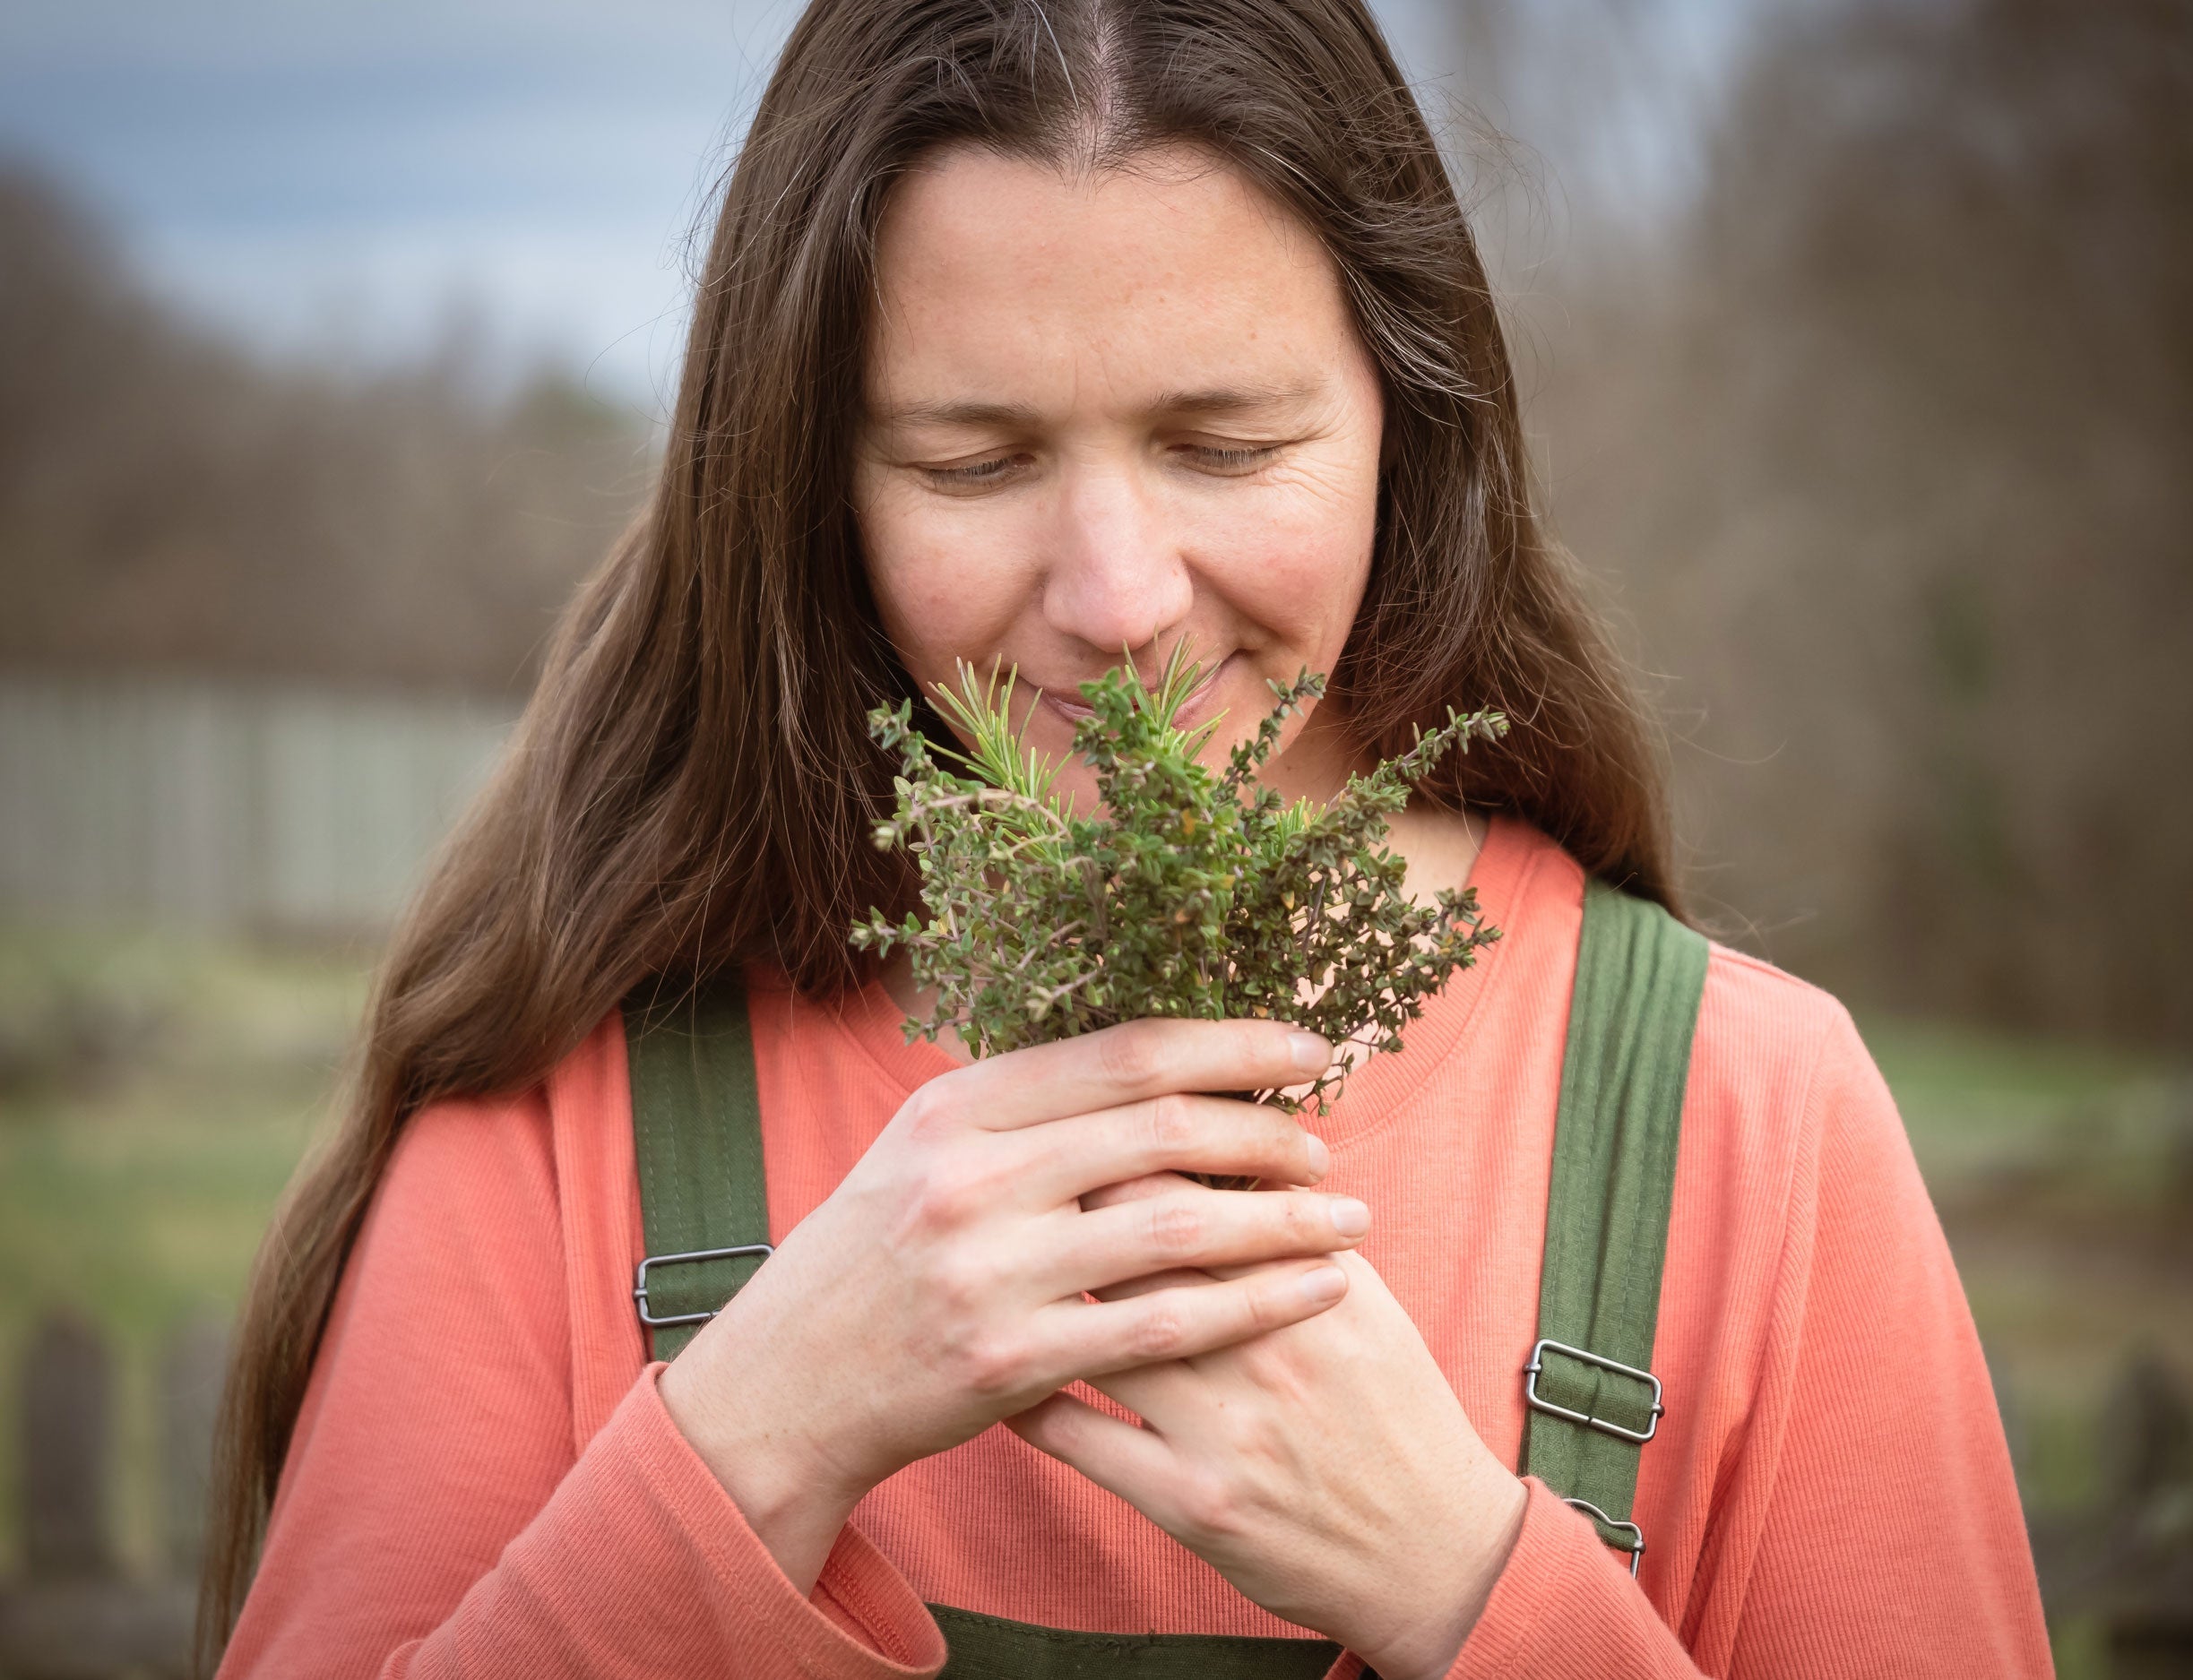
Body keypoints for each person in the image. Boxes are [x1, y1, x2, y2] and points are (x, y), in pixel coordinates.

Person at [202, 1, 2054, 1675]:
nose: (1115, 596)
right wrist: (753, 1435)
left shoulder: (1751, 1119)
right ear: (806, 485)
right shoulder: (562, 1107)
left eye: (1225, 444)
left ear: (1409, 427)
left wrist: (1471, 1593)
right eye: (972, 461)